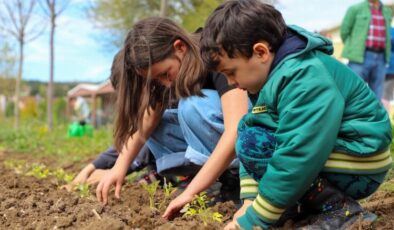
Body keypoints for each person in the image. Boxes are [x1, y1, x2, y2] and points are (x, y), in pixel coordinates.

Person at [198, 0, 392, 229]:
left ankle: (341, 209)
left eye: (231, 72)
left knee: (261, 143)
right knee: (249, 134)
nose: (231, 83)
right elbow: (252, 137)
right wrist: (250, 202)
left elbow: (298, 154)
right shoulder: (272, 76)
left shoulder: (303, 76)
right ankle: (294, 207)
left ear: (260, 52)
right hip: (337, 155)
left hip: (362, 160)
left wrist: (254, 221)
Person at [95, 17, 249, 209]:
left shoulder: (213, 52)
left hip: (251, 132)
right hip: (221, 138)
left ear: (180, 47)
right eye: (158, 79)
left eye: (166, 74)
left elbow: (237, 128)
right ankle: (213, 180)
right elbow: (147, 121)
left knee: (191, 106)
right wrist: (119, 167)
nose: (166, 84)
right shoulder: (171, 72)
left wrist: (192, 191)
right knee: (154, 124)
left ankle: (236, 179)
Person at [340, 0, 392, 100]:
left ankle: (374, 115)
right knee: (354, 91)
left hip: (381, 57)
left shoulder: (387, 11)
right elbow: (344, 32)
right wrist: (353, 48)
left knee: (377, 93)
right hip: (360, 57)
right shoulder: (355, 9)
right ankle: (354, 115)